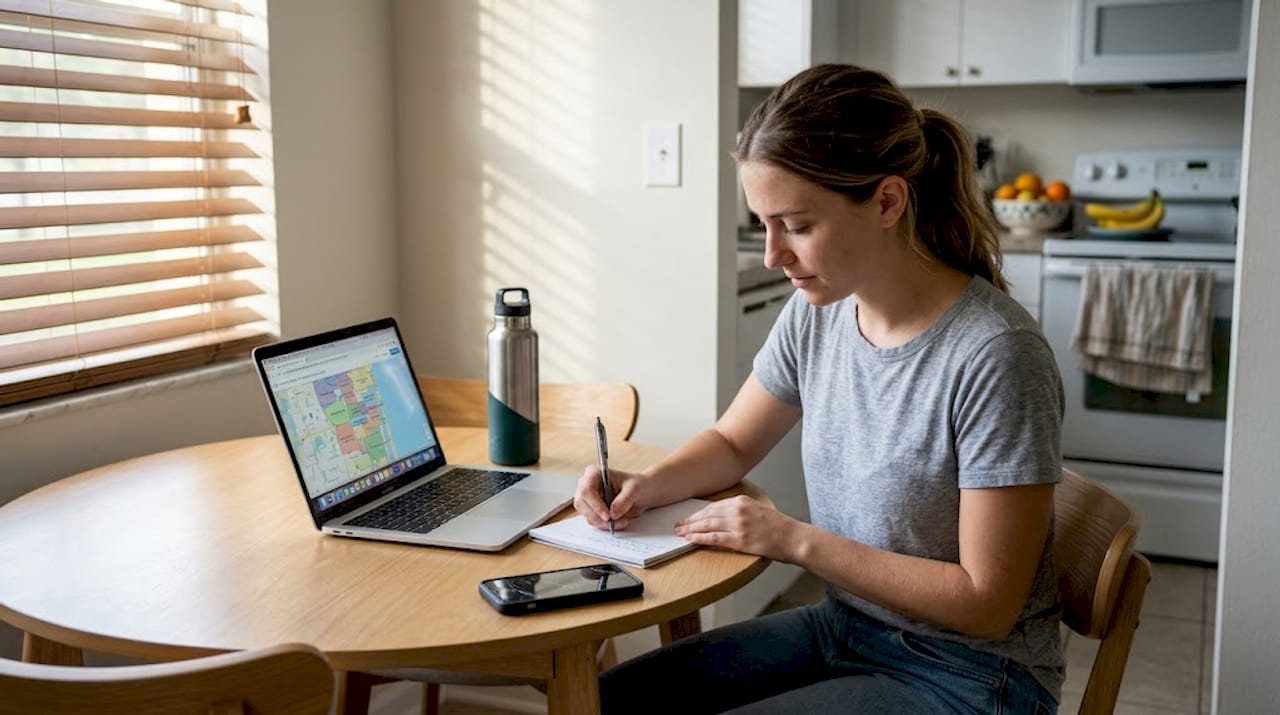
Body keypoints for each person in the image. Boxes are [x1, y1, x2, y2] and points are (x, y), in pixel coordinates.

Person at [573, 63, 1065, 714]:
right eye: (764, 223)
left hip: (972, 675)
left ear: (887, 202)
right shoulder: (820, 312)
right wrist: (648, 483)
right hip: (850, 627)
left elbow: (986, 602)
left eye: (797, 225)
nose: (774, 254)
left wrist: (792, 538)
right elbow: (731, 439)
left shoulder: (995, 355)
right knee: (597, 702)